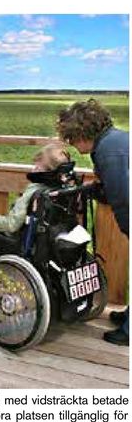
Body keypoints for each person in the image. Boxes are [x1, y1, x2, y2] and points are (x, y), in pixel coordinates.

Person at [0, 140, 75, 295]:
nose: (33, 169)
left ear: (46, 172)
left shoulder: (35, 192)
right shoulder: (63, 191)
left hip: (17, 243)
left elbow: (12, 225)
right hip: (50, 242)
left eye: (37, 167)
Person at [57, 99, 129, 347]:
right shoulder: (115, 141)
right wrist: (94, 190)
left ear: (81, 133)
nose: (72, 146)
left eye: (71, 139)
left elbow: (123, 195)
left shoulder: (109, 151)